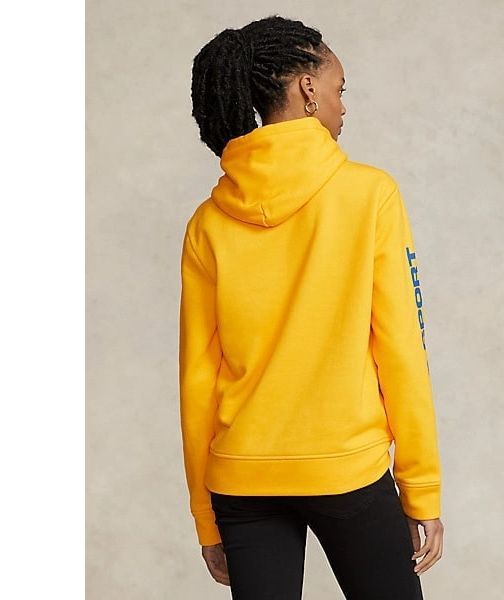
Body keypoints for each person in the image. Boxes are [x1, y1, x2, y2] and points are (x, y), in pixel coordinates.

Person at [179, 14, 444, 599]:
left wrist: (206, 516)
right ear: (307, 88)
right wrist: (421, 488)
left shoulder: (207, 222)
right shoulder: (370, 194)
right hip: (347, 468)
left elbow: (197, 378)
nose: (342, 106)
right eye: (338, 88)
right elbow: (402, 348)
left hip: (242, 478)